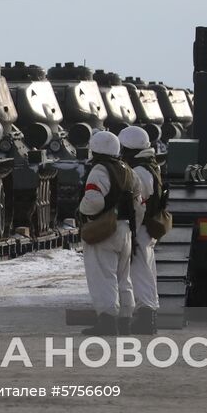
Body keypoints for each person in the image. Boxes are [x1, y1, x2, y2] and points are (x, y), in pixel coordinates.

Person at [77, 130, 139, 336]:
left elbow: (94, 201)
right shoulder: (127, 169)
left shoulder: (99, 171)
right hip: (125, 229)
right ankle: (125, 320)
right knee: (123, 276)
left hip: (104, 229)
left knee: (103, 276)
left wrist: (83, 211)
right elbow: (139, 201)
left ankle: (107, 320)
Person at [120, 126, 160, 335]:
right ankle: (148, 314)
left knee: (140, 272)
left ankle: (146, 317)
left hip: (141, 227)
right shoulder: (149, 166)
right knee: (146, 270)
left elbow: (138, 205)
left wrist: (132, 232)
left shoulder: (140, 171)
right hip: (145, 227)